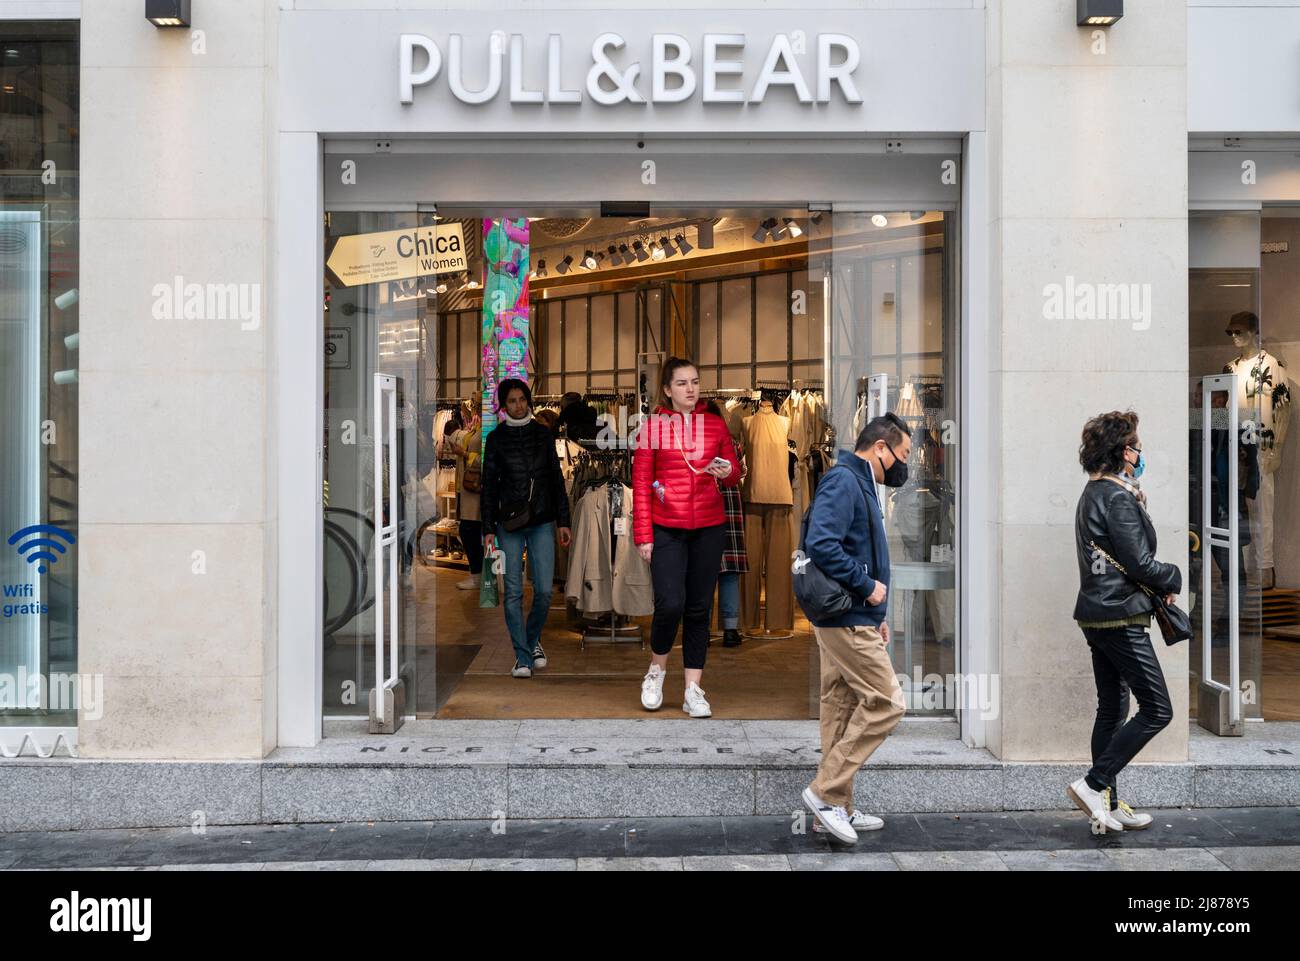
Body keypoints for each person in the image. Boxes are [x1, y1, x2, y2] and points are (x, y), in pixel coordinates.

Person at [800, 413, 911, 844]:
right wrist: (868, 589)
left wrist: (875, 615)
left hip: (853, 615)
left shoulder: (859, 480)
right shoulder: (845, 480)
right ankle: (825, 793)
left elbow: (854, 546)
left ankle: (835, 807)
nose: (903, 465)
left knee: (841, 705)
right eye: (901, 455)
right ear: (880, 448)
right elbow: (822, 544)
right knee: (887, 702)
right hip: (845, 615)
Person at [1070, 410, 1179, 833]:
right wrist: (1173, 576)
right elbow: (1141, 562)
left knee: (1112, 708)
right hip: (1120, 615)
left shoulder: (1095, 492)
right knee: (1157, 709)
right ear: (1122, 452)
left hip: (1098, 614)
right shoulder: (1116, 497)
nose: (1140, 452)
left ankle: (1106, 806)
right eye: (1135, 446)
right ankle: (1095, 785)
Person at [632, 358, 740, 717]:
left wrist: (726, 471)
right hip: (666, 527)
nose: (690, 389)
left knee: (698, 608)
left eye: (694, 382)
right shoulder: (652, 428)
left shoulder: (715, 425)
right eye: (681, 383)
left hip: (708, 527)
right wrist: (643, 536)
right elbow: (642, 484)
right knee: (670, 604)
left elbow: (733, 474)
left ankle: (693, 688)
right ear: (667, 389)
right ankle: (656, 671)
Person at [481, 379, 573, 678]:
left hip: (543, 520)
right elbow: (488, 487)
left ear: (528, 401)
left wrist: (563, 520)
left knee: (545, 591)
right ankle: (522, 656)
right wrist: (487, 528)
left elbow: (556, 481)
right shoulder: (495, 439)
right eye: (512, 401)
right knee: (512, 593)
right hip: (508, 523)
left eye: (522, 399)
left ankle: (532, 640)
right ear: (504, 405)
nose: (518, 405)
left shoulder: (543, 435)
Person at [447, 405, 483, 591]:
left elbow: (488, 460)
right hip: (468, 487)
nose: (475, 409)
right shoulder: (476, 428)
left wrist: (465, 454)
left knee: (470, 532)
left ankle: (477, 575)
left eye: (477, 405)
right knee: (469, 531)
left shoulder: (488, 429)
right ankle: (476, 574)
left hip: (477, 489)